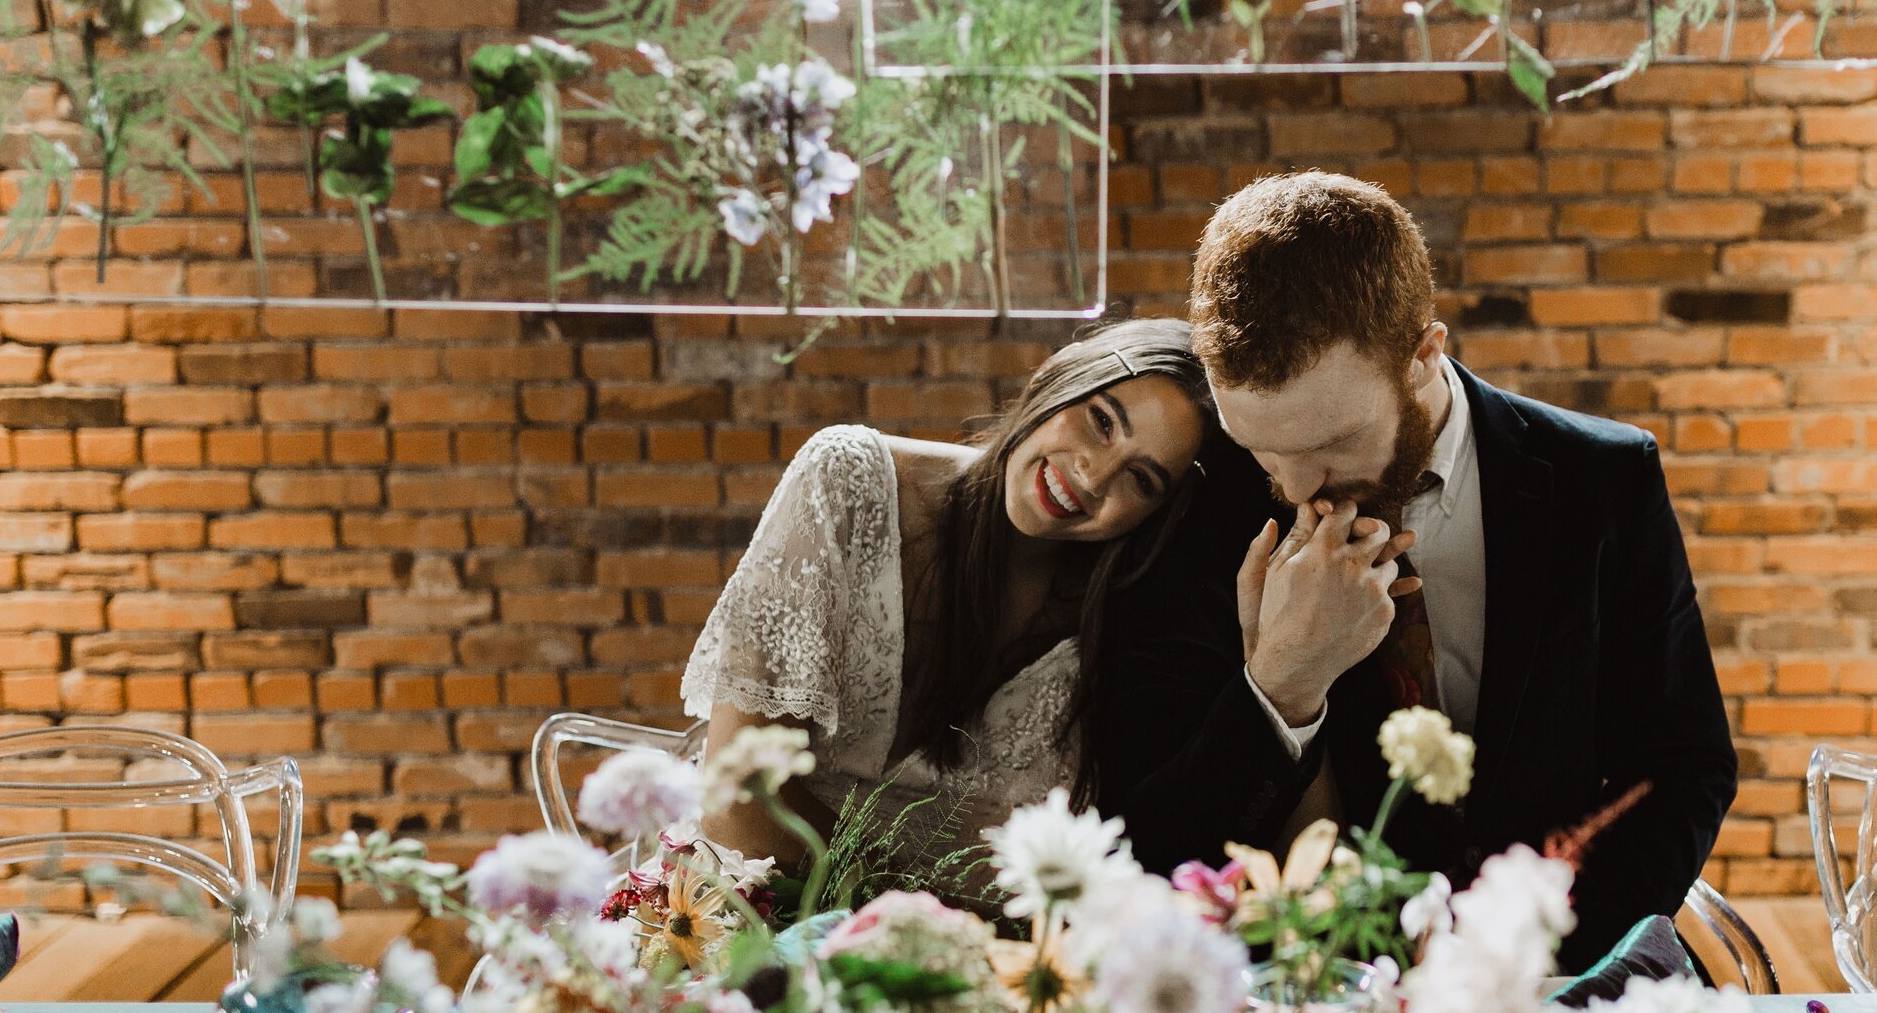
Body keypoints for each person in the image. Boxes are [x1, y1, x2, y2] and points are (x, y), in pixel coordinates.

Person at [1092, 172, 1738, 970]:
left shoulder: (1601, 482)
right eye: (1261, 448)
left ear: (1425, 354)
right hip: (1307, 996)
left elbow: (1682, 768)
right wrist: (1281, 684)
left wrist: (1536, 962)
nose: (1294, 491)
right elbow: (1152, 842)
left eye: (1330, 444)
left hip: (1557, 978)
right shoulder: (1192, 512)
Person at [683, 319, 1215, 876]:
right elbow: (735, 803)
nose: (1093, 474)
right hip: (740, 916)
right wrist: (896, 928)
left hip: (966, 956)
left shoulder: (1124, 626)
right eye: (1102, 422)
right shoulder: (847, 483)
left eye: (1141, 480)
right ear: (1060, 375)